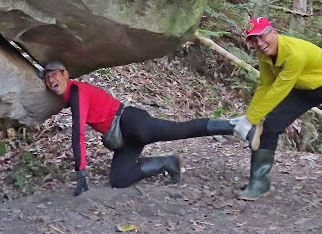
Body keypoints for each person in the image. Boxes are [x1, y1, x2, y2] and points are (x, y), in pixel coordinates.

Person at [41, 60, 259, 195]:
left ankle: (234, 125)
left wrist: (81, 171)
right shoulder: (69, 98)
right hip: (123, 139)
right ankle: (168, 162)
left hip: (131, 122)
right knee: (119, 179)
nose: (51, 80)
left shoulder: (77, 92)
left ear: (66, 74)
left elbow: (78, 132)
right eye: (47, 78)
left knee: (179, 130)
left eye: (54, 74)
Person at [233, 17, 322, 201]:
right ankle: (259, 182)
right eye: (253, 40)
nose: (259, 43)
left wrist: (250, 119)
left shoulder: (295, 53)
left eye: (262, 36)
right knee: (271, 125)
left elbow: (280, 89)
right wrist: (251, 117)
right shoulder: (263, 53)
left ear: (274, 32)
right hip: (302, 89)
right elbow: (266, 85)